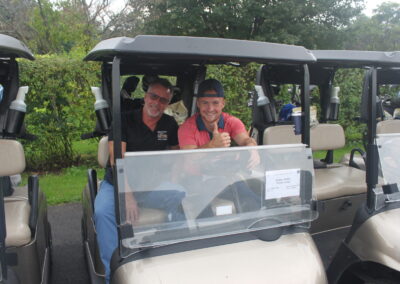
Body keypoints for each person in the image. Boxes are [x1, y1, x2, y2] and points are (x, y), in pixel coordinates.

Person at [94, 78, 184, 283]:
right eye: (154, 96)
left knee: (180, 195)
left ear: (168, 103)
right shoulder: (123, 120)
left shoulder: (169, 125)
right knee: (102, 212)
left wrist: (174, 178)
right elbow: (118, 161)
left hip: (151, 186)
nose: (157, 103)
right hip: (118, 185)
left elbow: (175, 157)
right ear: (145, 97)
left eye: (163, 100)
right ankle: (113, 274)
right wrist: (128, 196)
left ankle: (173, 260)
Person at [178, 78, 260, 215]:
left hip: (223, 178)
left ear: (223, 103)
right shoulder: (187, 127)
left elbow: (246, 140)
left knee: (251, 198)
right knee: (205, 209)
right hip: (194, 181)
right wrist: (212, 145)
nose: (210, 109)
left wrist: (253, 148)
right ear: (198, 104)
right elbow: (189, 156)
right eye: (205, 103)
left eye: (215, 103)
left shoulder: (232, 122)